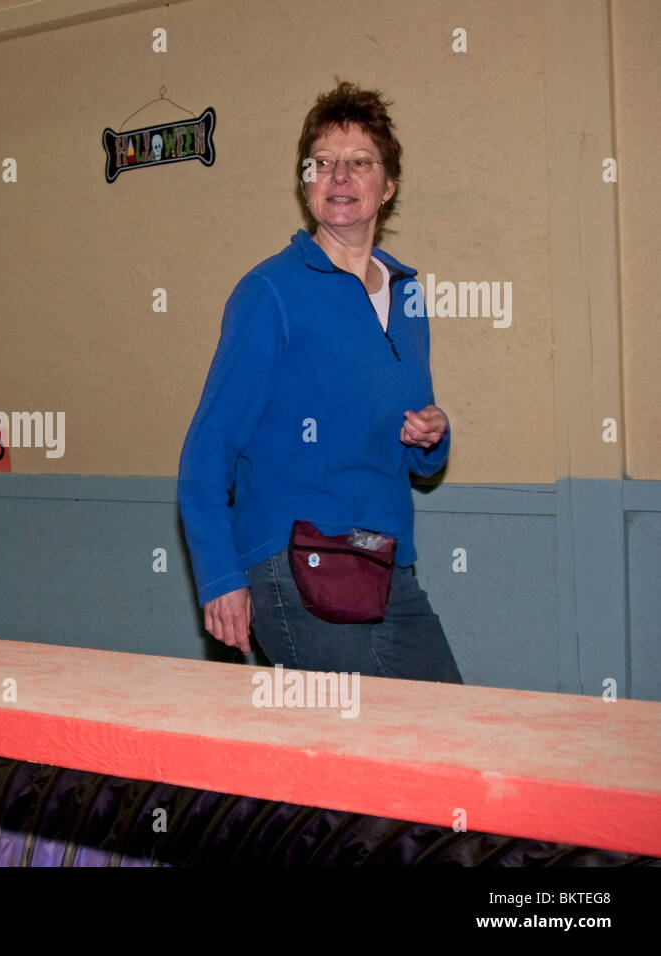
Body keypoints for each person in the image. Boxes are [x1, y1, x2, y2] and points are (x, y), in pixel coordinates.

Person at [177, 80, 462, 683]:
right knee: (363, 756)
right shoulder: (270, 292)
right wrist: (221, 576)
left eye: (360, 163)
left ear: (387, 187)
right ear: (306, 183)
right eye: (323, 163)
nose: (339, 177)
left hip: (388, 565)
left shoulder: (407, 297)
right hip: (295, 561)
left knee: (451, 734)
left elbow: (418, 463)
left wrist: (432, 436)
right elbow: (208, 449)